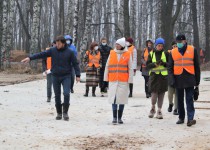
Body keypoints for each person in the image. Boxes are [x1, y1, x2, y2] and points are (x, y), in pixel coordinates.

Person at [21, 35, 81, 121]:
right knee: (57, 95)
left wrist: (78, 75)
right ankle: (59, 113)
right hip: (55, 76)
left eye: (59, 44)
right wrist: (30, 58)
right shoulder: (53, 50)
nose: (57, 45)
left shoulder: (70, 52)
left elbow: (75, 64)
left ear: (63, 43)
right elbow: (41, 54)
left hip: (66, 76)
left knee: (66, 93)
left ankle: (65, 112)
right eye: (56, 43)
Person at [168, 34, 200, 127]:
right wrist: (171, 79)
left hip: (189, 77)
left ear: (185, 41)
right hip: (178, 78)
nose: (178, 44)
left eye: (180, 42)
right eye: (177, 42)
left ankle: (190, 118)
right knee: (180, 99)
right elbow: (170, 68)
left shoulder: (192, 49)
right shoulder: (172, 52)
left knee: (189, 99)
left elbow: (196, 66)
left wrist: (197, 81)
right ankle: (181, 117)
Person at [104, 37, 133, 124]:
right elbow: (107, 66)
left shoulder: (128, 54)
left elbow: (130, 68)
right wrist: (106, 78)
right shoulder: (112, 53)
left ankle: (119, 117)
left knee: (121, 99)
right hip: (113, 79)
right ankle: (114, 117)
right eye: (116, 44)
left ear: (122, 45)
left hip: (123, 80)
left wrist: (130, 79)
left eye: (118, 44)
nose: (116, 46)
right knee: (114, 98)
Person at [147, 38, 168, 119]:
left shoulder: (166, 54)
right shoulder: (151, 54)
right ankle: (153, 108)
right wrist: (154, 64)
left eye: (162, 46)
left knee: (161, 94)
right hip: (154, 77)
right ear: (156, 46)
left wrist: (164, 63)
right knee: (154, 94)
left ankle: (159, 110)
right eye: (159, 45)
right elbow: (147, 65)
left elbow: (169, 64)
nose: (160, 47)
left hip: (163, 77)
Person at [167, 41, 178, 115]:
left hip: (178, 76)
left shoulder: (180, 54)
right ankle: (170, 104)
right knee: (170, 93)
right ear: (172, 47)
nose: (175, 47)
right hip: (171, 75)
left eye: (176, 46)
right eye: (173, 46)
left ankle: (176, 109)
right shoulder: (168, 54)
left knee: (177, 94)